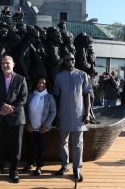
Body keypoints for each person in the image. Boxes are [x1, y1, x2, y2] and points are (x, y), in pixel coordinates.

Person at [0, 55, 28, 183]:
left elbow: (23, 98)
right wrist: (3, 106)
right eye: (3, 63)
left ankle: (14, 170)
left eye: (8, 63)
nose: (5, 65)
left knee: (16, 146)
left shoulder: (21, 79)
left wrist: (11, 109)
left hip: (16, 117)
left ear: (13, 64)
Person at [53, 52, 92, 182]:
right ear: (63, 61)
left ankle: (77, 168)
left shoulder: (82, 75)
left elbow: (87, 94)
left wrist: (87, 113)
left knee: (78, 144)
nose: (71, 61)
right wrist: (56, 115)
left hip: (78, 115)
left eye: (72, 59)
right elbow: (56, 97)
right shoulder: (59, 77)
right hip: (63, 114)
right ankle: (65, 165)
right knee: (63, 142)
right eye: (67, 60)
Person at [23, 76, 56, 175]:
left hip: (43, 129)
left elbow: (53, 112)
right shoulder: (30, 95)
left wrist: (46, 125)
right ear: (36, 84)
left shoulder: (50, 97)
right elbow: (24, 110)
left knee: (41, 149)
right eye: (39, 83)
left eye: (44, 83)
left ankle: (39, 167)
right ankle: (29, 164)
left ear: (46, 85)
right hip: (31, 127)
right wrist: (27, 124)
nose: (41, 85)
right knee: (30, 147)